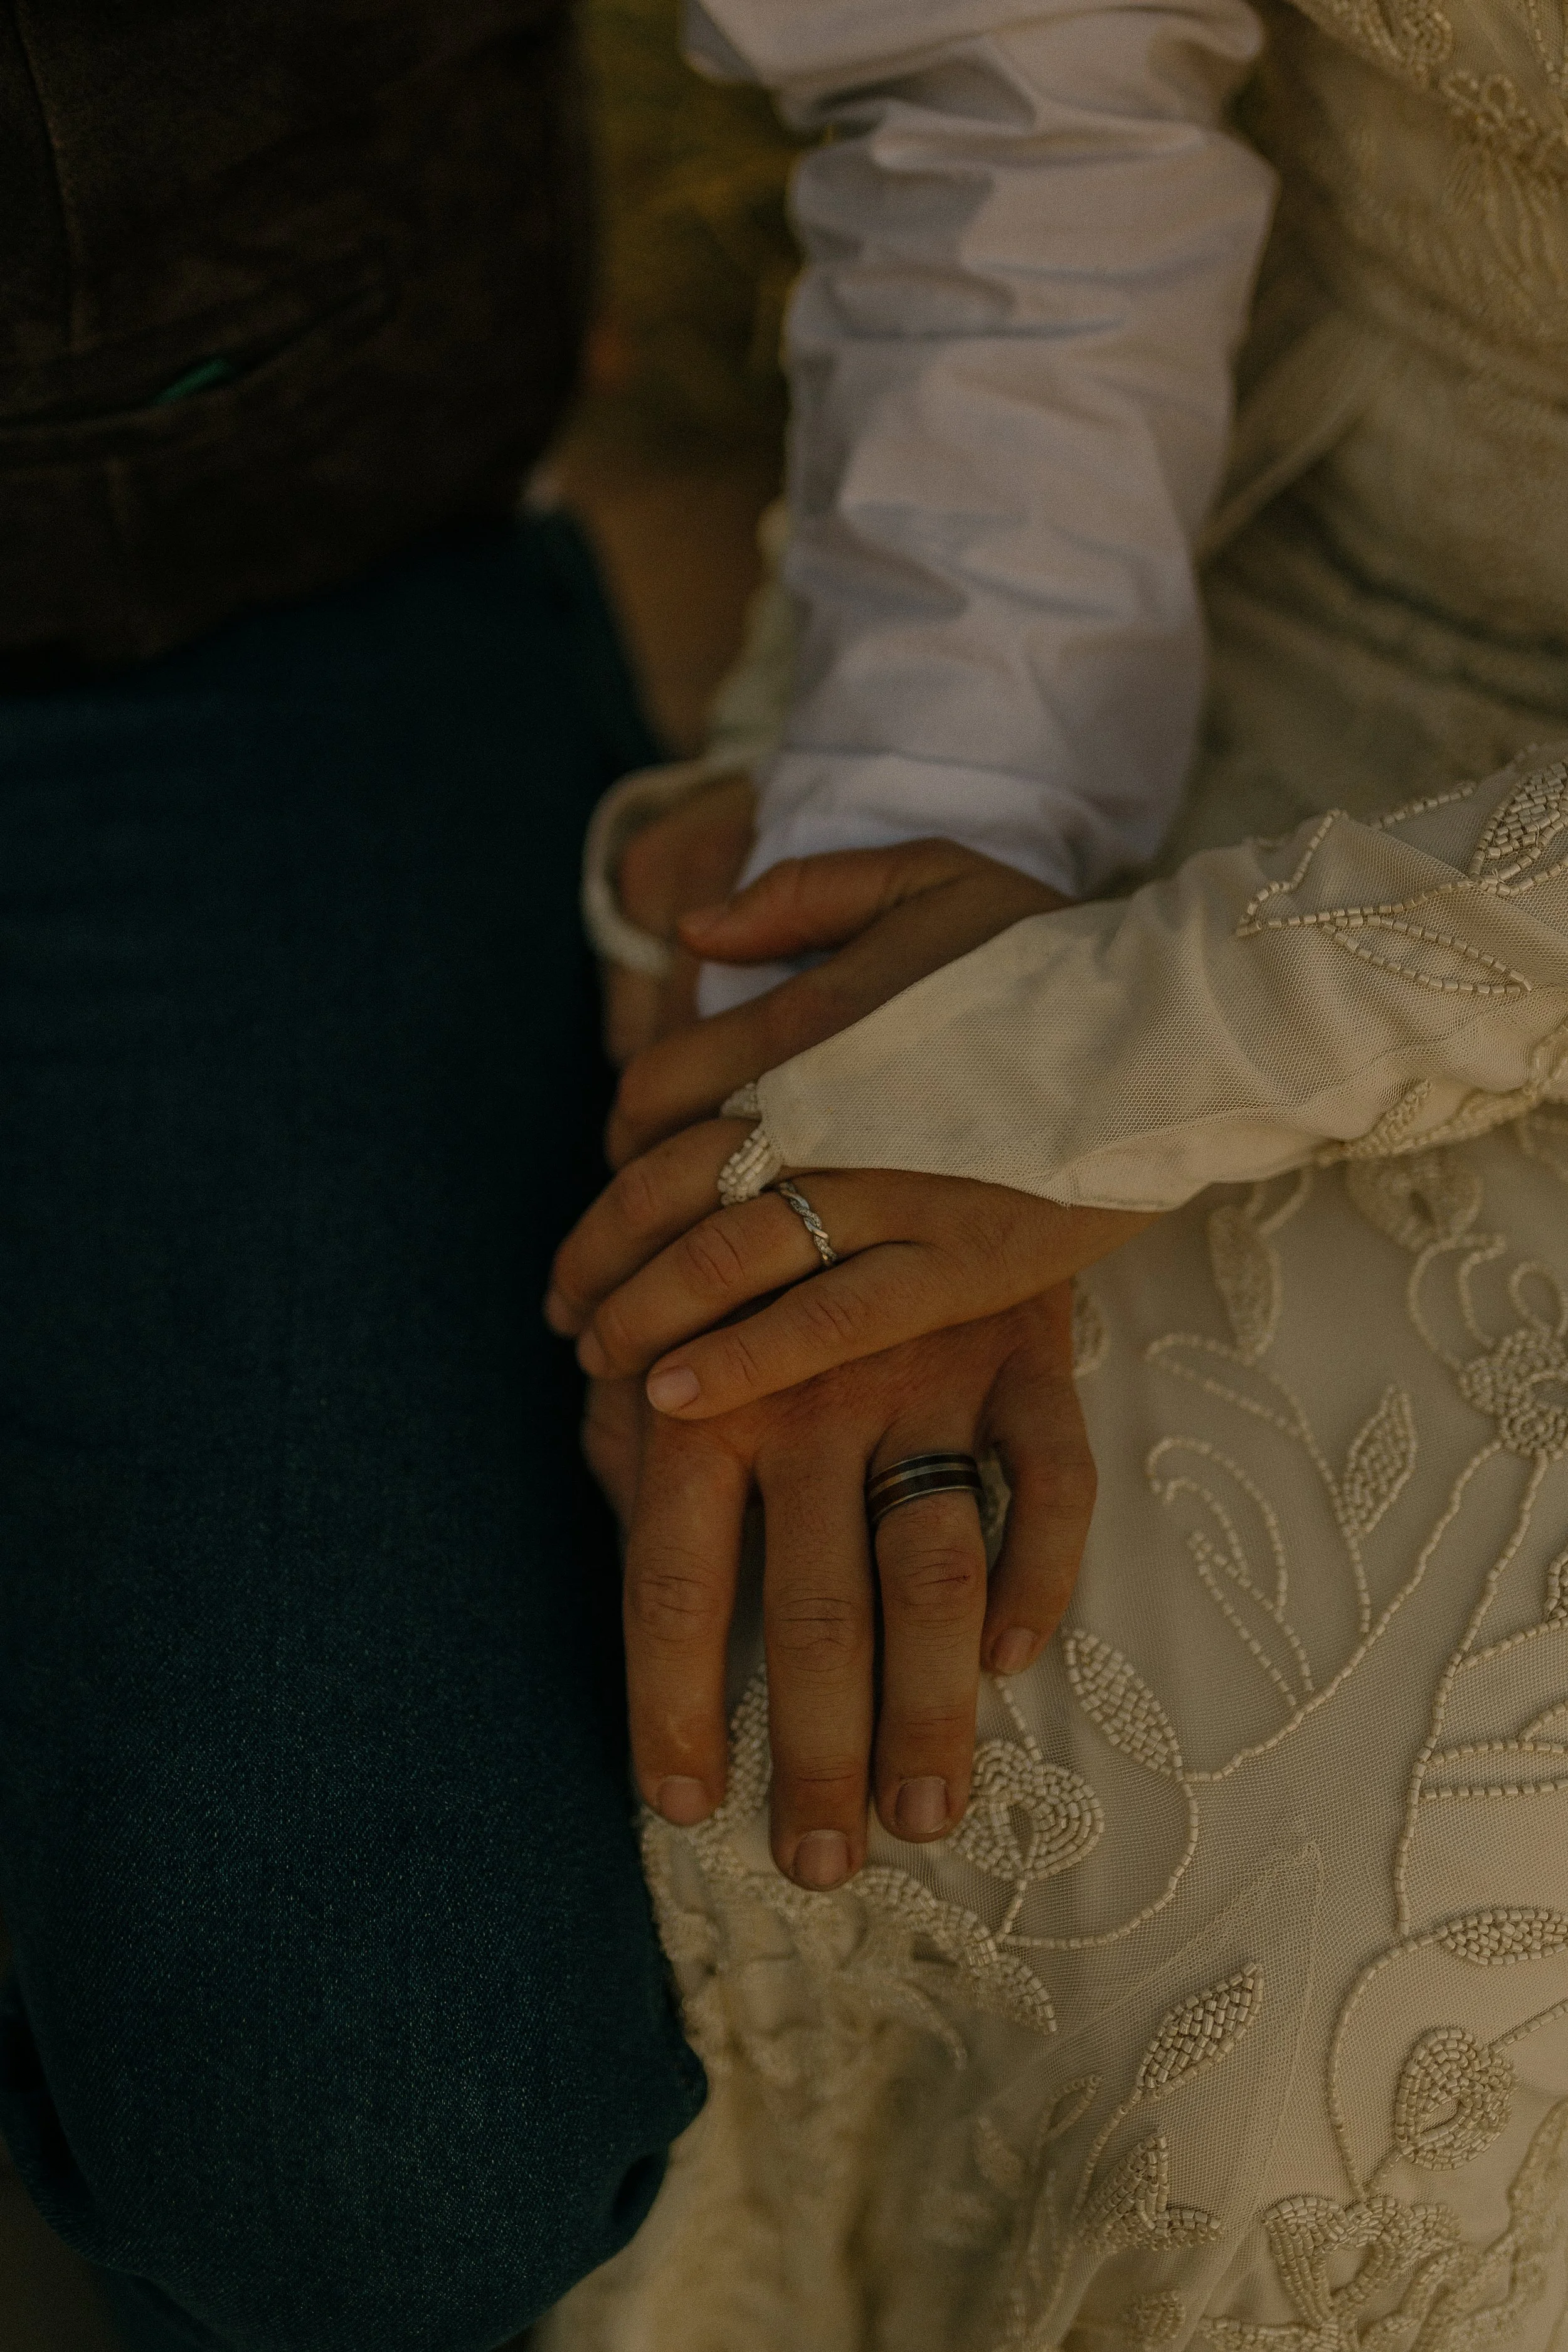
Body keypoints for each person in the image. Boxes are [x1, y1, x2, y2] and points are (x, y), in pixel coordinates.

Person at [538, 0, 1568, 2342]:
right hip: (1194, 553)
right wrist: (918, 854)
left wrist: (1132, 1045)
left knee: (1323, 2030)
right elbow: (1019, 61)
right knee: (747, 1659)